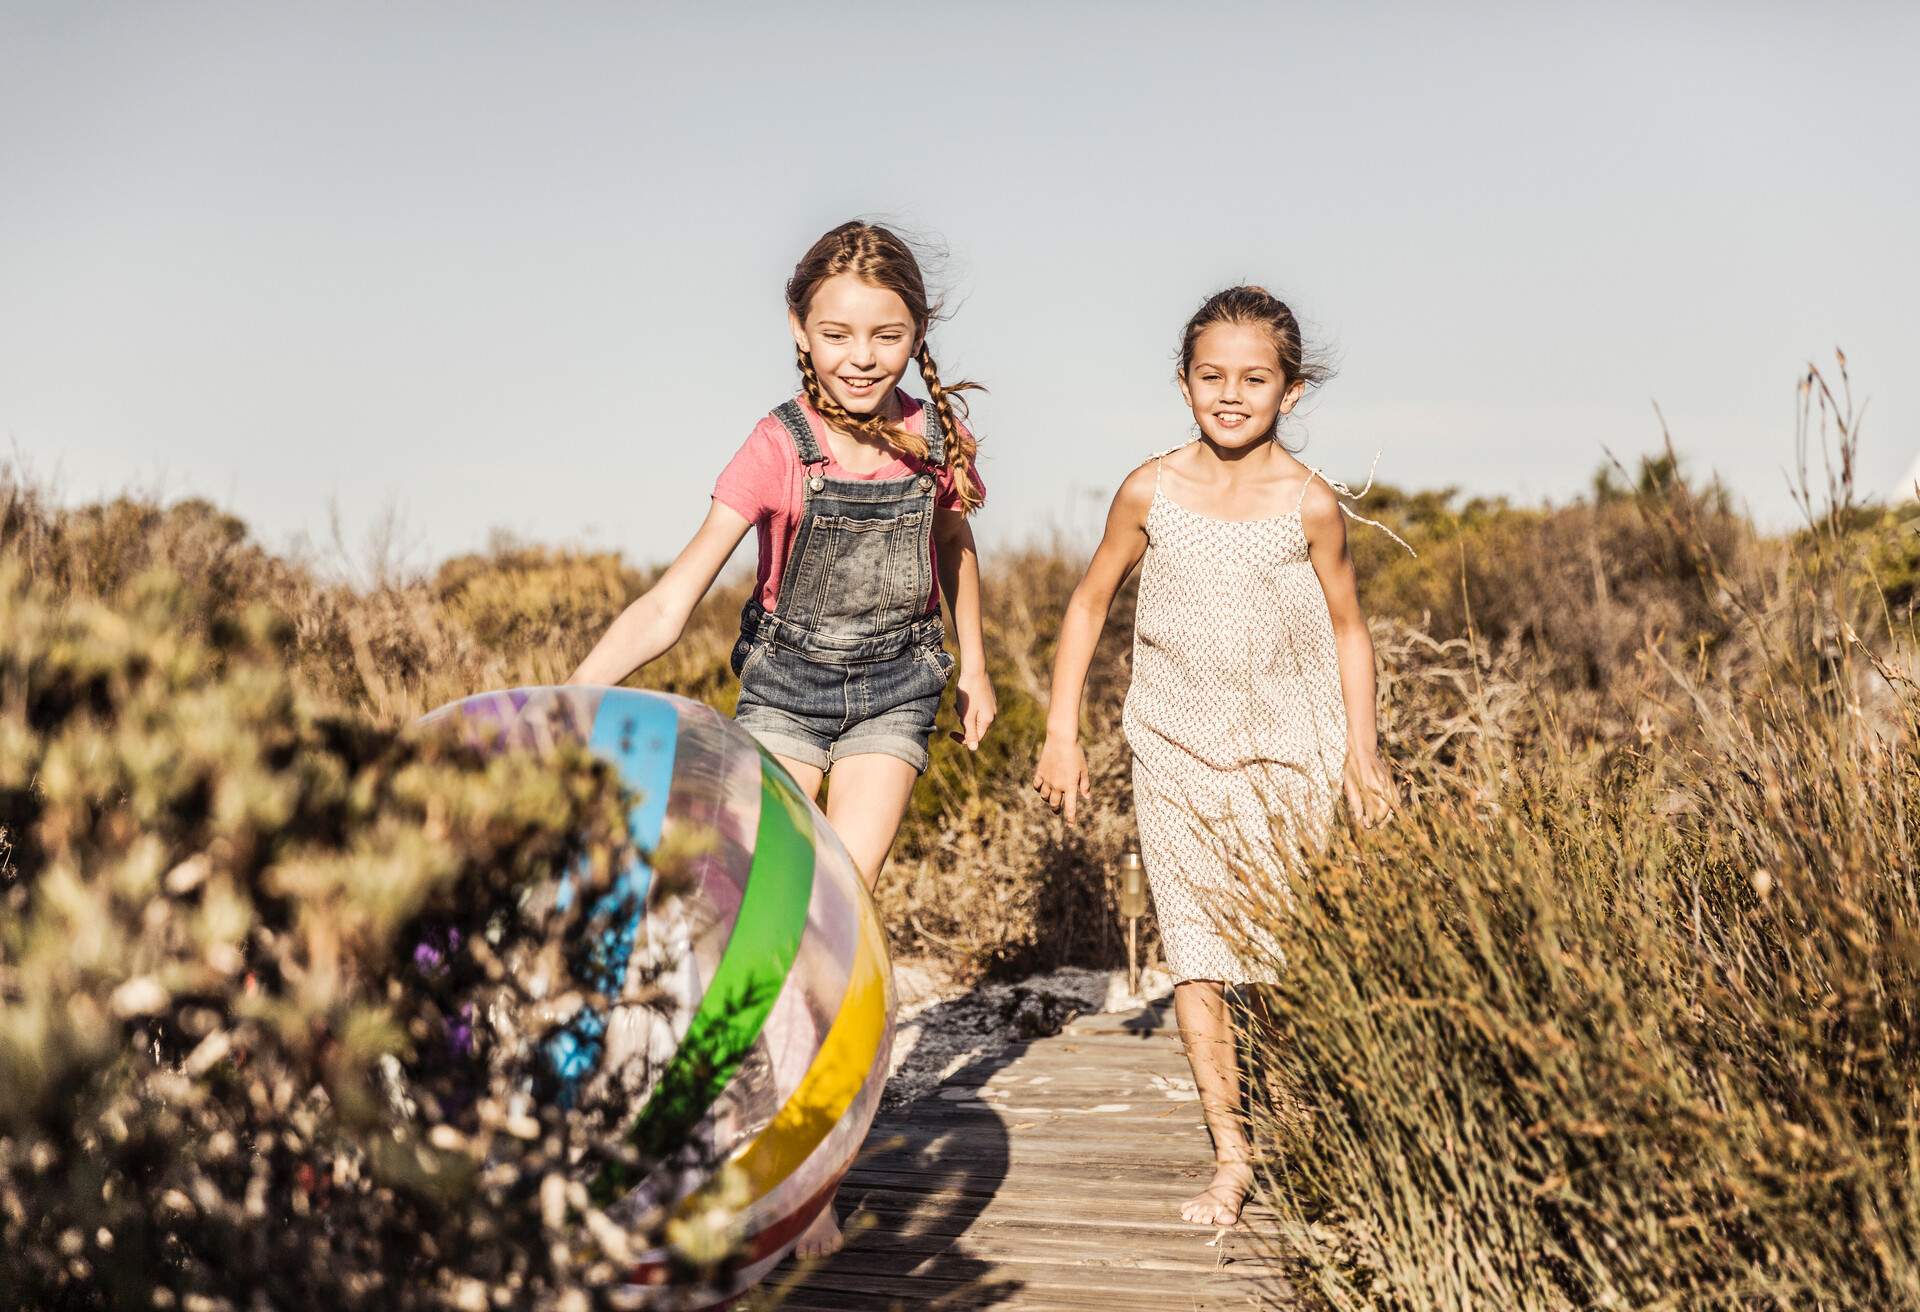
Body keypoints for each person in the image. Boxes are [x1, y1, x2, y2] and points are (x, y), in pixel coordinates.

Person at [569, 220, 996, 1256]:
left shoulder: (927, 435)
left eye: (886, 335)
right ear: (800, 330)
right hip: (785, 698)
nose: (862, 355)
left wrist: (974, 663)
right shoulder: (775, 445)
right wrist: (573, 696)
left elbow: (954, 543)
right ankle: (722, 1146)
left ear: (915, 335)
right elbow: (675, 598)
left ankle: (813, 1183)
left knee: (837, 924)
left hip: (898, 691)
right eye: (839, 332)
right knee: (771, 930)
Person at [1031, 285, 1395, 1227]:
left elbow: (1350, 629)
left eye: (1255, 378)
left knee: (1280, 950)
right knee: (1196, 957)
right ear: (1185, 381)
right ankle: (1230, 1154)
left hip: (1290, 757)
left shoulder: (1310, 503)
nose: (1231, 395)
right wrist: (1062, 731)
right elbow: (1086, 604)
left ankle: (1304, 1123)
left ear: (1292, 390)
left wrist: (1365, 754)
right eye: (1211, 376)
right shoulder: (1151, 489)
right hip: (1175, 753)